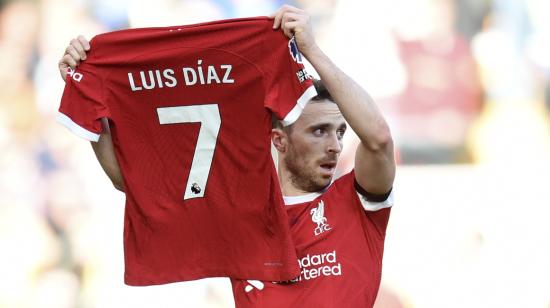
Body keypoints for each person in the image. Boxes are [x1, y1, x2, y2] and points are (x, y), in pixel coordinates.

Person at [58, 5, 396, 307]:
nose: (335, 146)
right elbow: (136, 188)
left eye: (340, 132)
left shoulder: (357, 203)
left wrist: (311, 51)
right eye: (318, 131)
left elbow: (378, 139)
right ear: (278, 140)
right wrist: (88, 95)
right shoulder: (239, 205)